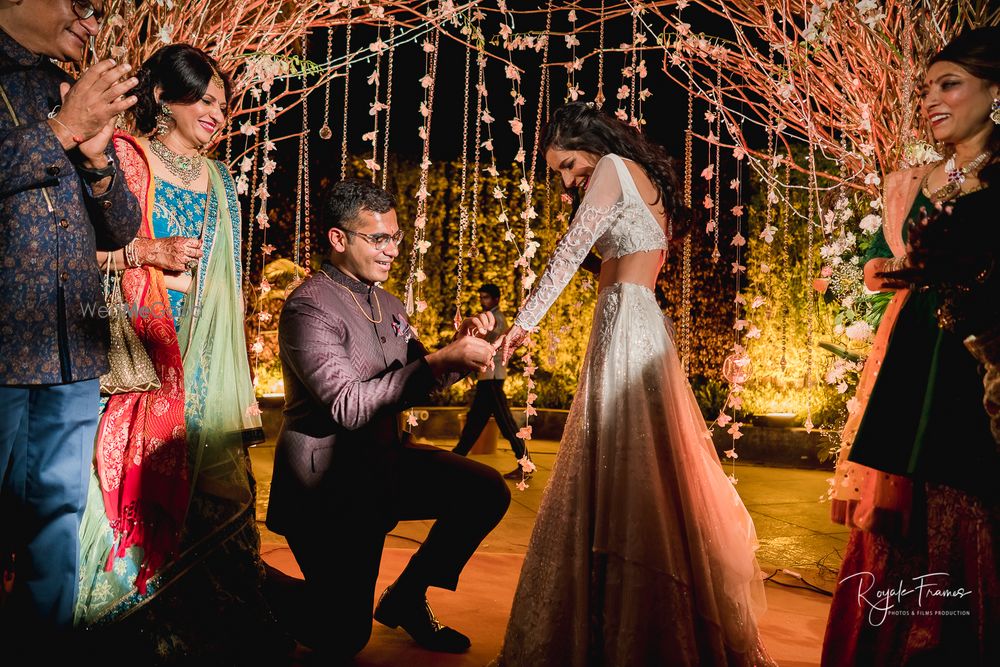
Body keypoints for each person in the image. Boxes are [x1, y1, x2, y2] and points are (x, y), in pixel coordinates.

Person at [494, 102, 774, 665]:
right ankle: (639, 617)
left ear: (591, 145)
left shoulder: (613, 170)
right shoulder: (642, 181)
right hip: (636, 318)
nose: (569, 180)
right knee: (639, 463)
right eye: (561, 174)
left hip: (625, 321)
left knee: (622, 461)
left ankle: (625, 625)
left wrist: (524, 320)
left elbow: (574, 249)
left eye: (569, 164)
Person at [71, 44, 287, 660]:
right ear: (164, 97)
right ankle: (128, 627)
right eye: (205, 99)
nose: (218, 113)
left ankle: (214, 628)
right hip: (137, 353)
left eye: (224, 103)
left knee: (219, 490)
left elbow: (223, 286)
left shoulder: (218, 179)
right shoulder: (124, 159)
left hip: (203, 354)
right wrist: (146, 255)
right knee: (126, 485)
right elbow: (73, 256)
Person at [266, 178, 512, 660]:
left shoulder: (389, 303)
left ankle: (405, 595)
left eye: (396, 237)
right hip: (326, 489)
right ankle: (243, 576)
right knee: (341, 636)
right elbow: (348, 406)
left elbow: (422, 378)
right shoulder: (308, 306)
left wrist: (466, 352)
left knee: (486, 490)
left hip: (382, 466)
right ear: (339, 240)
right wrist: (439, 360)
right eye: (379, 239)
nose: (393, 250)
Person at [823, 27, 999, 666]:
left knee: (966, 499)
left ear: (995, 93)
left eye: (949, 84)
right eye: (925, 89)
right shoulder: (912, 182)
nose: (931, 99)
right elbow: (874, 262)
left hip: (977, 359)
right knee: (900, 514)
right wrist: (892, 271)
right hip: (909, 354)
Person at [0, 0, 141, 649]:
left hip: (71, 354)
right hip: (5, 348)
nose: (88, 21)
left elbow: (119, 227)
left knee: (57, 525)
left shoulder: (65, 86)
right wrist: (61, 127)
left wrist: (98, 161)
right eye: (77, 4)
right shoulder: (64, 102)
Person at [453, 284, 532, 479]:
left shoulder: (495, 319)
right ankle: (455, 459)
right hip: (486, 378)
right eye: (481, 297)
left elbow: (479, 342)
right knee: (474, 422)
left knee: (506, 423)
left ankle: (526, 465)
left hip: (493, 379)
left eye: (486, 297)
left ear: (496, 299)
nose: (483, 300)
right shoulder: (491, 317)